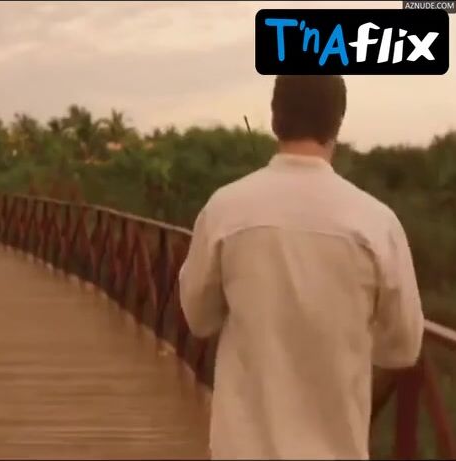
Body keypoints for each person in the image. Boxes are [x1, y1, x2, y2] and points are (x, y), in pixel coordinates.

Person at [178, 75, 424, 459]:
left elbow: (199, 318)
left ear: (275, 118)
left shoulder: (225, 209)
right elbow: (404, 347)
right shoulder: (377, 223)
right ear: (337, 123)